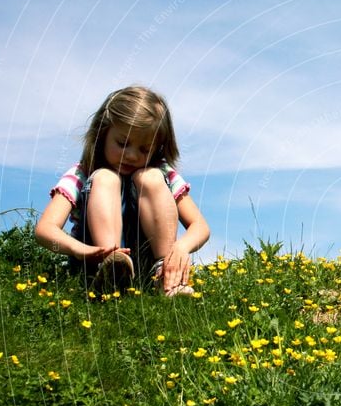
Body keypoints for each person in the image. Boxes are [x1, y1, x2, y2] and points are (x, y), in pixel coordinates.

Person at [35, 86, 210, 296]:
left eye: (145, 149)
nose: (132, 155)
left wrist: (181, 248)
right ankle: (111, 267)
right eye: (123, 143)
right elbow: (44, 230)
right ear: (102, 133)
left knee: (151, 177)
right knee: (105, 178)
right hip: (92, 260)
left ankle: (164, 276)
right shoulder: (82, 172)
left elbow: (200, 226)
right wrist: (80, 250)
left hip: (147, 263)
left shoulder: (162, 172)